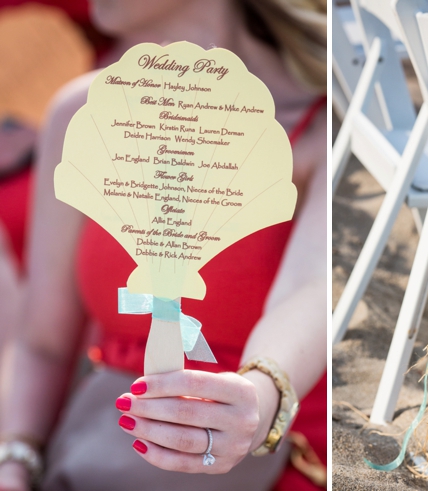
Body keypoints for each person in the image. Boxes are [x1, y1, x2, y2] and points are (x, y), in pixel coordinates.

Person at [0, 0, 327, 490]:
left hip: (265, 454)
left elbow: (313, 285)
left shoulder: (321, 124)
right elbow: (44, 343)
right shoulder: (80, 115)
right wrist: (16, 461)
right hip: (96, 450)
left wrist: (259, 397)